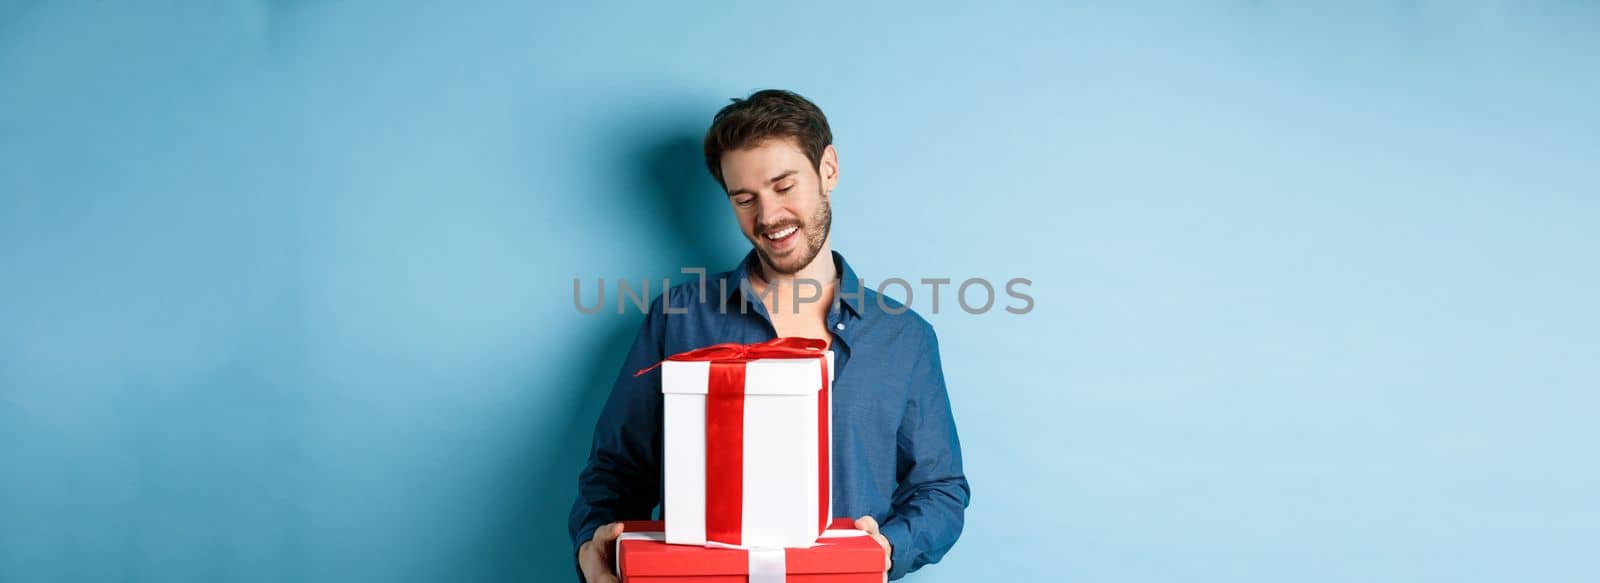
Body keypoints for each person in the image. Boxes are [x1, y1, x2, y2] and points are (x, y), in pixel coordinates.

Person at [569, 89, 969, 582]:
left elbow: (940, 490)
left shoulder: (903, 338)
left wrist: (888, 548)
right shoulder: (679, 319)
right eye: (745, 199)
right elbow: (616, 470)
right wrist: (593, 544)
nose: (769, 216)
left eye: (784, 186)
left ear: (829, 170)